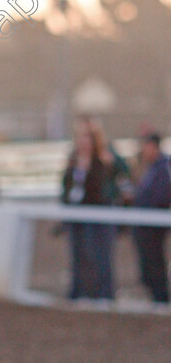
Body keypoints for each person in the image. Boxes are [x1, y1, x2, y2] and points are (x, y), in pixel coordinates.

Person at [61, 117, 116, 300]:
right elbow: (67, 188)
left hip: (97, 217)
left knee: (99, 256)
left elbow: (103, 189)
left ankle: (103, 294)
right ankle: (79, 292)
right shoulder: (73, 162)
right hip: (76, 216)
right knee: (79, 256)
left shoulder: (103, 162)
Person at [131, 132, 171, 303]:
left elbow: (160, 197)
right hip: (145, 225)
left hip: (154, 226)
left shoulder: (163, 168)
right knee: (149, 266)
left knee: (155, 265)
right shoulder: (150, 168)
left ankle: (161, 299)